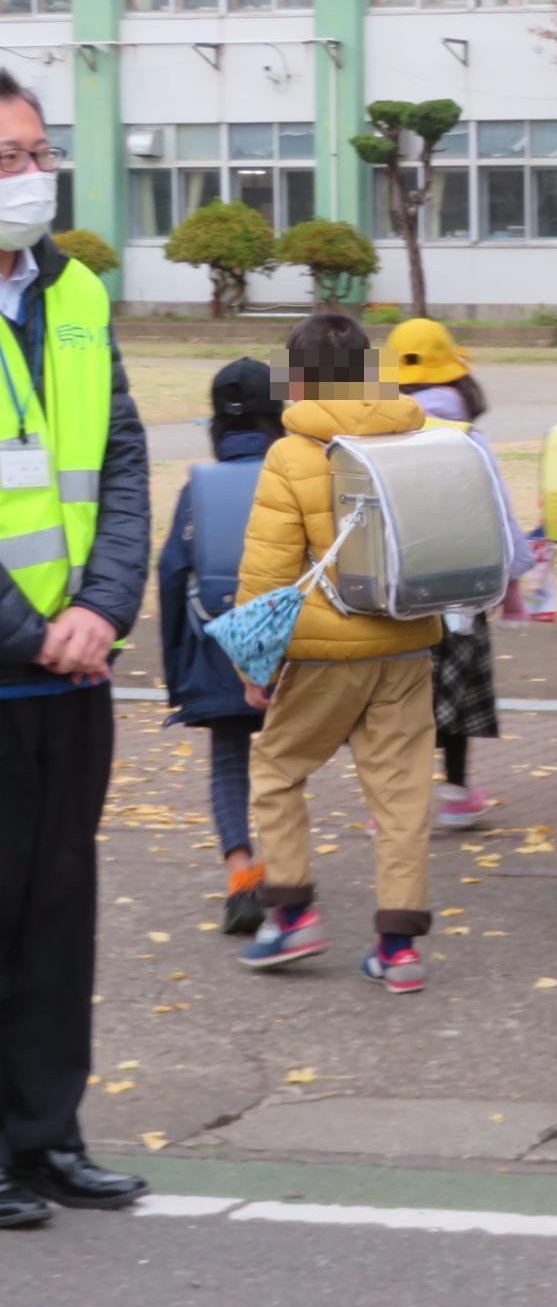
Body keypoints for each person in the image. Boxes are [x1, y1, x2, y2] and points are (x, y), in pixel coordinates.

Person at [0, 67, 151, 1225]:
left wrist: (101, 607)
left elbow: (127, 460)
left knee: (58, 911)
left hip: (73, 672)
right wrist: (31, 630)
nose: (30, 178)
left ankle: (46, 1138)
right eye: (8, 159)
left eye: (38, 155)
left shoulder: (78, 293)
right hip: (14, 662)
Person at [236, 313, 442, 995]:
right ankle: (398, 948)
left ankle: (292, 911)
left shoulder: (292, 456)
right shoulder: (416, 436)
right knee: (402, 791)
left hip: (325, 653)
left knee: (274, 769)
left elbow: (266, 573)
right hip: (408, 645)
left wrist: (254, 665)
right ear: (368, 369)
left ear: (296, 378)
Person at [156, 358, 286, 934]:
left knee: (230, 763)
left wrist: (179, 674)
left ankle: (241, 878)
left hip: (216, 649)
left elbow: (168, 575)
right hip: (289, 648)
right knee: (287, 764)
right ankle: (288, 872)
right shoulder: (294, 479)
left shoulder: (196, 491)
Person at [389, 317, 535, 830]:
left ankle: (390, 805)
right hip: (460, 594)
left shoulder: (380, 431)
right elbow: (498, 510)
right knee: (454, 696)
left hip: (398, 592)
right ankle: (455, 792)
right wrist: (512, 582)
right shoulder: (468, 435)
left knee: (399, 699)